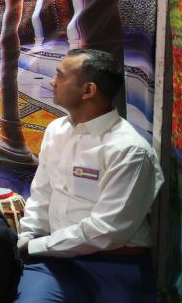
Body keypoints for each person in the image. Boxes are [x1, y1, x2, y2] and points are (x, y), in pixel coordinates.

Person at [15, 49, 162, 302]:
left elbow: (107, 231)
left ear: (88, 90)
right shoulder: (56, 130)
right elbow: (42, 195)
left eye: (60, 76)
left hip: (114, 266)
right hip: (54, 263)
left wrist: (34, 246)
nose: (52, 81)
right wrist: (27, 237)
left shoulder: (129, 151)